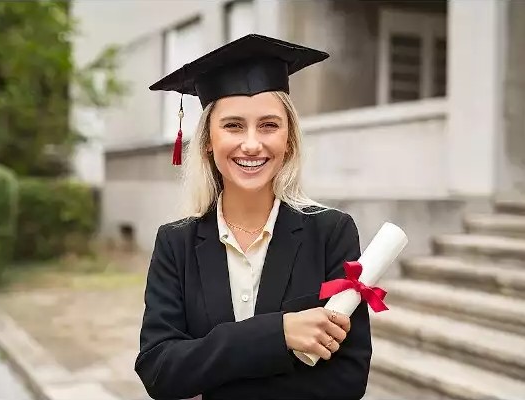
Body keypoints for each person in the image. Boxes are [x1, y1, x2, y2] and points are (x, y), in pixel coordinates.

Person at [135, 34, 372, 400]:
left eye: (268, 125)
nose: (251, 144)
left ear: (289, 138)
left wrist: (214, 372)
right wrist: (279, 334)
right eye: (232, 125)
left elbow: (348, 379)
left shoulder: (331, 233)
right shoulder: (176, 243)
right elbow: (160, 369)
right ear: (208, 140)